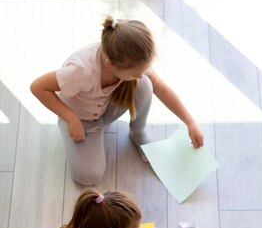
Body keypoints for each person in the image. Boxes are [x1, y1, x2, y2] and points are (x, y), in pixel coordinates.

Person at [30, 16, 204, 186]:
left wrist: (190, 122)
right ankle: (93, 131)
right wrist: (70, 118)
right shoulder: (80, 72)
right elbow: (37, 87)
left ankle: (138, 133)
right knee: (88, 176)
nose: (140, 75)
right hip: (81, 120)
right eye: (135, 73)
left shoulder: (129, 58)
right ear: (110, 65)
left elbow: (161, 88)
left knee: (145, 85)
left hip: (105, 108)